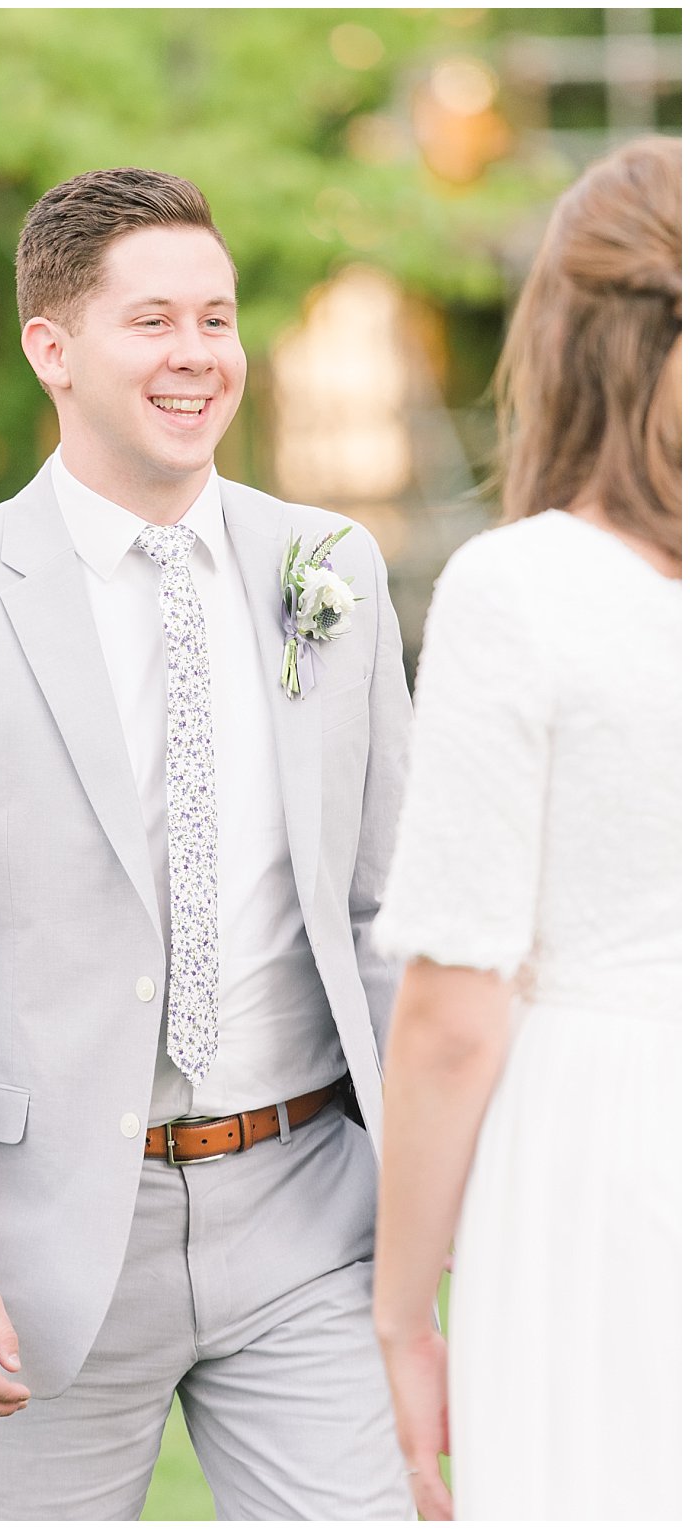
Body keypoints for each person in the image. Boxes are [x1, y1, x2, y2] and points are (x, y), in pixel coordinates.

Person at [0, 166, 415, 1519]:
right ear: (53, 345)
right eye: (154, 321)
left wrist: (434, 1203)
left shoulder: (331, 568)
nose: (197, 355)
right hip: (44, 1246)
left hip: (313, 1208)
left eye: (218, 318)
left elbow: (388, 911)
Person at [371, 136, 681, 1522]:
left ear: (561, 336)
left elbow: (453, 1008)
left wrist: (400, 1310)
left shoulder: (523, 589)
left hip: (606, 1150)